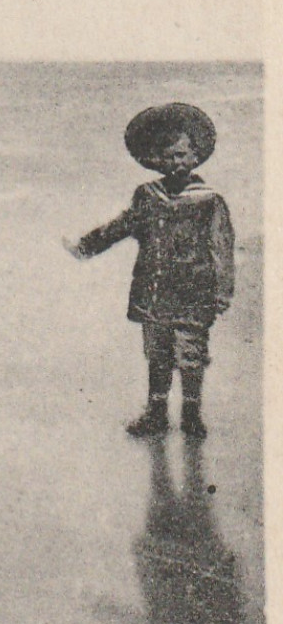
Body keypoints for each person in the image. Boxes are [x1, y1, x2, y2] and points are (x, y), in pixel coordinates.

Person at [65, 103, 234, 439]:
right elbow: (122, 225)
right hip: (154, 291)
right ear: (156, 159)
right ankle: (156, 414)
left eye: (184, 155)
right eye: (169, 156)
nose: (177, 163)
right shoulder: (147, 196)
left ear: (197, 156)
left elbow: (222, 247)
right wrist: (86, 246)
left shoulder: (209, 200)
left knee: (192, 355)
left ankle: (191, 415)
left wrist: (222, 292)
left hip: (194, 293)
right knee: (157, 355)